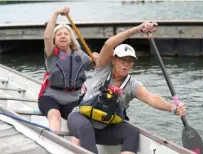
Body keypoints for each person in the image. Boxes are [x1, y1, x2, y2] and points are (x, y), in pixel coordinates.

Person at [67, 21, 186, 154]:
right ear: (113, 59)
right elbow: (108, 44)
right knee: (85, 128)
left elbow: (151, 99)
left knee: (132, 132)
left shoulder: (132, 85)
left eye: (130, 61)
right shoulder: (103, 68)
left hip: (104, 130)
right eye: (122, 60)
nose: (126, 64)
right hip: (80, 119)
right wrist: (137, 29)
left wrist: (173, 108)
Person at [38, 7, 96, 144]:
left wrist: (98, 58)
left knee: (77, 121)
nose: (62, 36)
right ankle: (56, 145)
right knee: (55, 115)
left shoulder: (82, 57)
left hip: (73, 99)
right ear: (54, 39)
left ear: (71, 39)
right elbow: (47, 36)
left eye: (66, 34)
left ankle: (73, 150)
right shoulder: (51, 54)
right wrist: (56, 14)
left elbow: (100, 65)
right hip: (50, 97)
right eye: (59, 34)